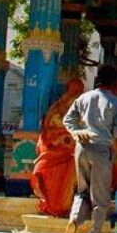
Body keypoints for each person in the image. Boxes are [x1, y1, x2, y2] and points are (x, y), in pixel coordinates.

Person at [63, 65, 117, 233]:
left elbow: (68, 119)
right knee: (101, 197)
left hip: (81, 147)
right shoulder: (116, 103)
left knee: (82, 190)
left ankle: (75, 218)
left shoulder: (84, 98)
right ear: (115, 82)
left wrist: (77, 132)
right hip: (101, 149)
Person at [30, 77, 85, 217]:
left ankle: (60, 205)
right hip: (57, 154)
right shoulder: (72, 109)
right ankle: (62, 206)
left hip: (54, 154)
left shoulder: (57, 108)